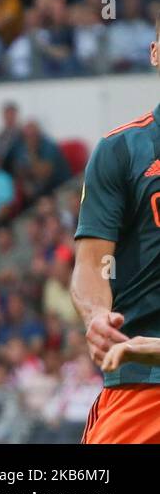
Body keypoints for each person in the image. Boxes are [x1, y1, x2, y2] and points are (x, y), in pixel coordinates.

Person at [74, 71, 160, 442]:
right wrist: (97, 317)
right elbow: (92, 262)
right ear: (156, 53)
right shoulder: (121, 149)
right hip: (142, 381)